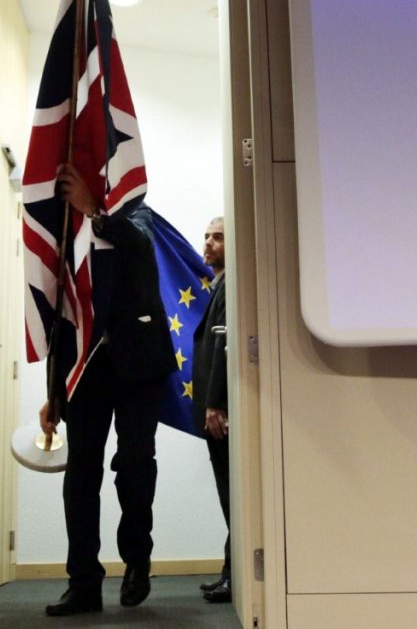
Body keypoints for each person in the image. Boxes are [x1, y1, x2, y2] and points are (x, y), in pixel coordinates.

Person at [40, 163, 177, 617]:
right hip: (86, 368)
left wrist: (95, 210)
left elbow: (138, 245)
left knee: (134, 464)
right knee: (81, 474)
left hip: (139, 362)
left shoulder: (135, 212)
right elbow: (59, 311)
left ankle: (137, 561)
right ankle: (83, 583)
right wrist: (55, 391)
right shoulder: (63, 229)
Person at [192, 217, 232, 604]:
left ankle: (233, 577)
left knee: (232, 493)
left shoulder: (231, 285)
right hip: (216, 408)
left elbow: (224, 345)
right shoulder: (219, 286)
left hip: (222, 410)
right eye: (206, 236)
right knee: (227, 492)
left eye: (218, 237)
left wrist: (216, 402)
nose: (208, 243)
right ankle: (230, 572)